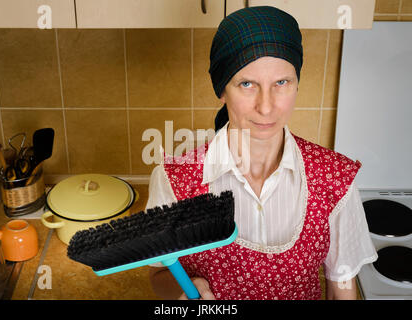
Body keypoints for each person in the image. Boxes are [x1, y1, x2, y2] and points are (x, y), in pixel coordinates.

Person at [146, 6, 377, 300]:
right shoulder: (174, 181)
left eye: (281, 82)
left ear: (296, 84)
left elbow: (341, 289)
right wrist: (183, 292)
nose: (266, 107)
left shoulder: (335, 181)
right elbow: (159, 273)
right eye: (246, 84)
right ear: (222, 90)